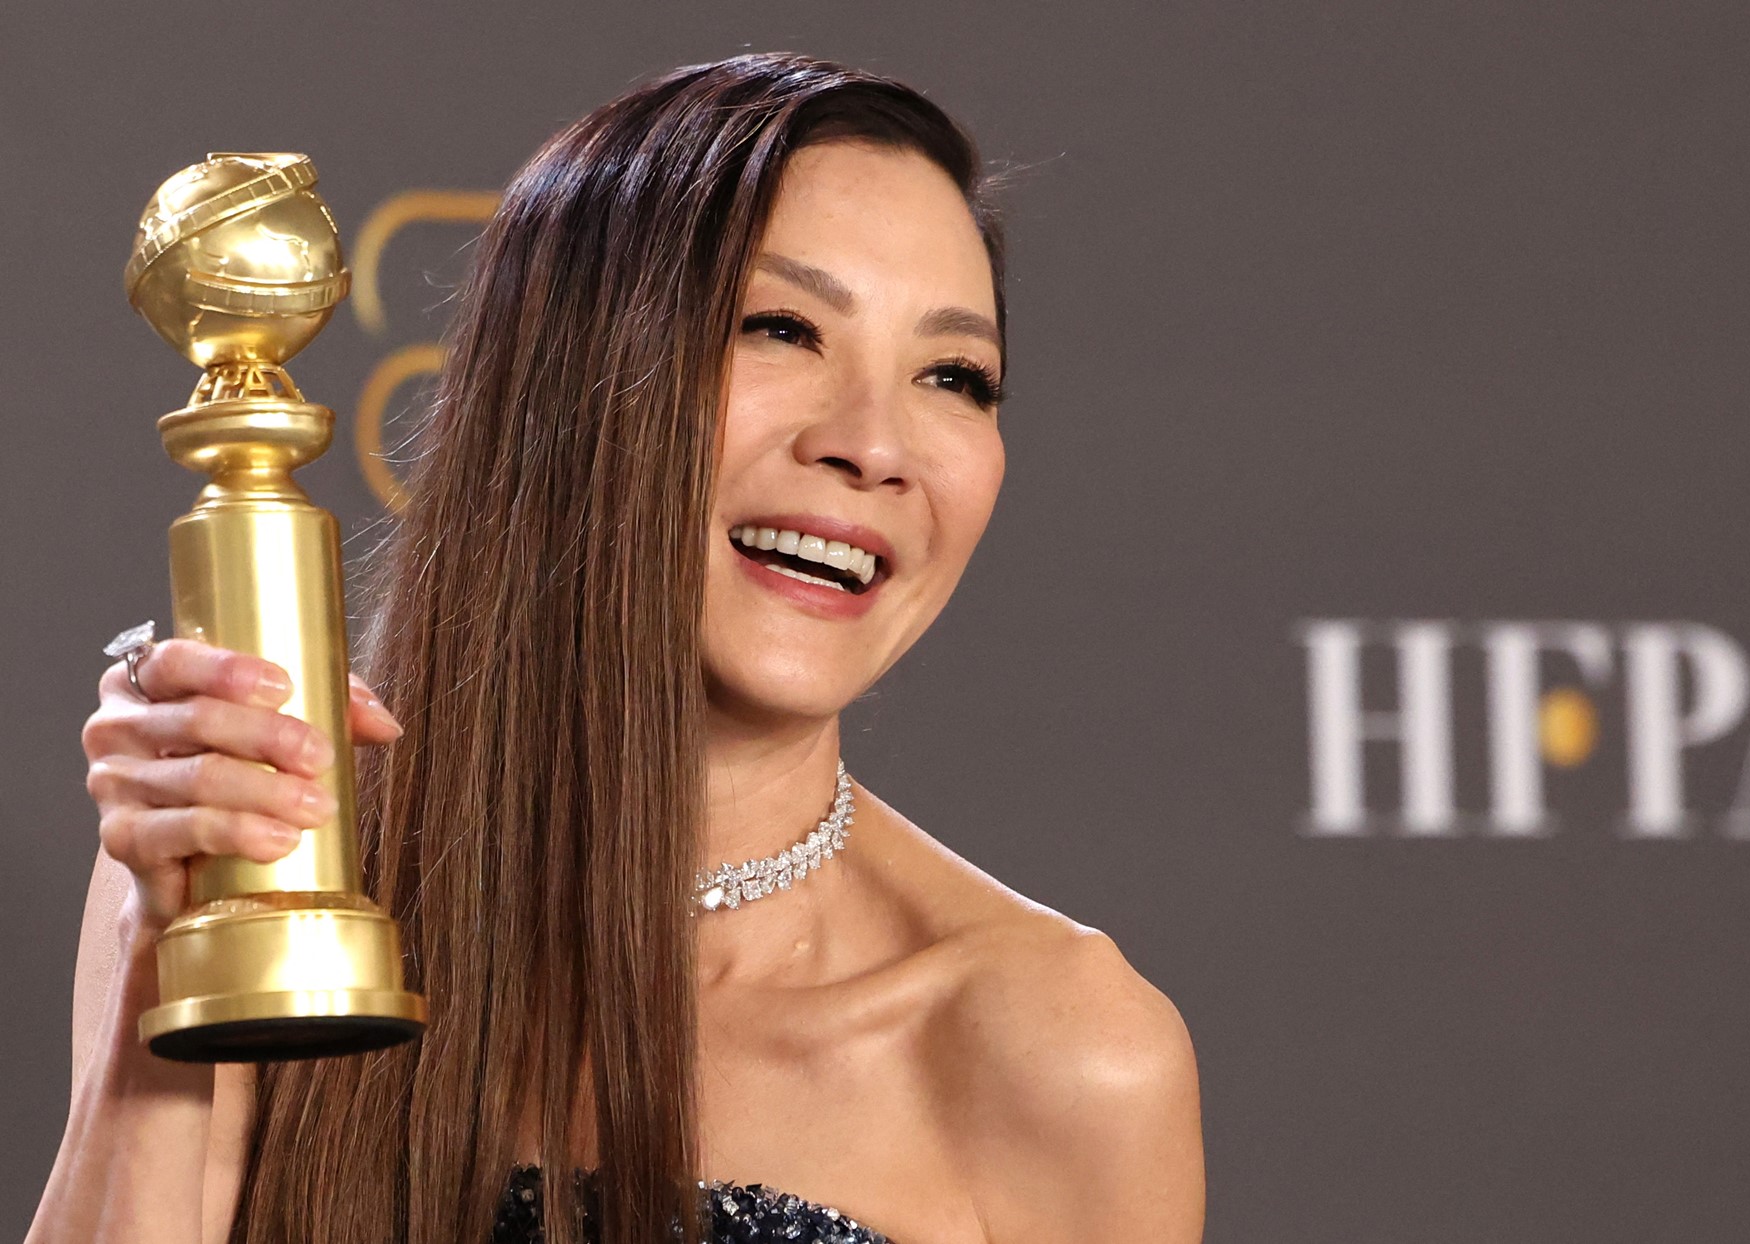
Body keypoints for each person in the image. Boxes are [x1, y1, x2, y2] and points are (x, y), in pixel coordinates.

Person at [29, 52, 1204, 1244]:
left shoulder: (1060, 1048)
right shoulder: (267, 871)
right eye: (782, 328)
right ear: (570, 378)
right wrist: (159, 962)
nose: (876, 444)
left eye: (955, 375)